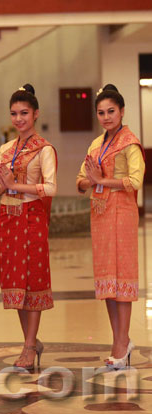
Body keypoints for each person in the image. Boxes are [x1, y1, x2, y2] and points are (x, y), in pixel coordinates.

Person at [76, 84, 145, 369]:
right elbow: (81, 180)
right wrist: (92, 181)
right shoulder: (95, 145)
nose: (106, 117)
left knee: (122, 277)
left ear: (122, 111)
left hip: (123, 213)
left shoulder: (129, 143)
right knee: (107, 281)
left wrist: (102, 180)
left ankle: (122, 342)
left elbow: (135, 181)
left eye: (111, 111)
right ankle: (119, 341)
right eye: (101, 113)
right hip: (101, 214)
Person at [0, 84, 57, 370]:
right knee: (15, 283)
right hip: (9, 217)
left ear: (36, 114)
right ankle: (30, 341)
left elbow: (51, 187)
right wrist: (1, 187)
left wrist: (14, 185)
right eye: (14, 113)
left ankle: (29, 346)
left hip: (32, 218)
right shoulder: (5, 149)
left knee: (34, 281)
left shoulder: (45, 150)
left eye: (24, 113)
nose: (18, 119)